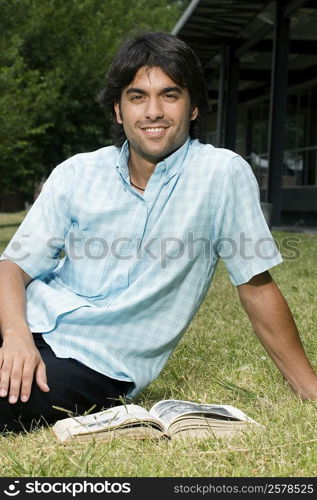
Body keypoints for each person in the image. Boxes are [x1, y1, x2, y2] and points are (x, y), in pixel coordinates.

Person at [1, 32, 317, 433]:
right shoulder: (77, 173)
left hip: (96, 360)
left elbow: (256, 286)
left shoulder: (220, 174)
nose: (153, 111)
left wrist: (310, 388)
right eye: (137, 97)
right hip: (25, 317)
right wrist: (16, 337)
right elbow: (13, 267)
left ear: (195, 106)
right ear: (118, 110)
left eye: (170, 95)